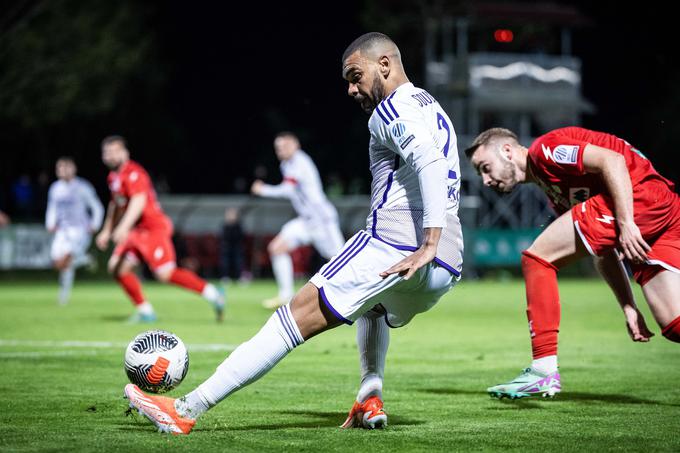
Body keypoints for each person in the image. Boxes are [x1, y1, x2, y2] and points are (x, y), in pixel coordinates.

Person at [123, 32, 463, 434]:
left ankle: (184, 409)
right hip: (447, 265)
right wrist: (436, 246)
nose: (351, 89)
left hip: (399, 244)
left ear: (385, 65)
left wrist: (428, 240)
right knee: (370, 307)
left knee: (288, 320)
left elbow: (428, 162)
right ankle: (370, 395)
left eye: (355, 76)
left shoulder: (389, 111)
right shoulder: (430, 103)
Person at [465, 126, 680, 399]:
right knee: (673, 324)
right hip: (663, 209)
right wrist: (628, 304)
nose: (485, 180)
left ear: (507, 151)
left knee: (537, 258)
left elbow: (611, 160)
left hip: (640, 198)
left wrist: (626, 222)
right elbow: (601, 250)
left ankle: (543, 371)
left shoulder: (545, 150)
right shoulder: (555, 189)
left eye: (485, 167)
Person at [95, 135, 225, 322]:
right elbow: (116, 204)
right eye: (107, 152)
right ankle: (146, 311)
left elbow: (138, 201)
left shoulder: (134, 173)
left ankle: (213, 293)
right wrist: (107, 230)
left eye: (115, 151)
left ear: (126, 152)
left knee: (165, 274)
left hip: (153, 229)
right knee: (117, 267)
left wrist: (123, 227)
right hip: (136, 231)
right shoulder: (113, 177)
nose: (111, 156)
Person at [251, 132, 345, 309]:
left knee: (340, 261)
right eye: (278, 148)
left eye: (284, 146)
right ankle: (285, 296)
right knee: (276, 248)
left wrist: (263, 190)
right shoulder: (286, 164)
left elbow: (288, 189)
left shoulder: (300, 162)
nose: (281, 151)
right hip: (306, 221)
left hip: (322, 220)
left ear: (295, 145)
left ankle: (364, 296)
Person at [45, 157, 104, 305]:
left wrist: (95, 224)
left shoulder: (82, 187)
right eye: (60, 168)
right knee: (59, 263)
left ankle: (63, 297)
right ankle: (87, 259)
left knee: (67, 260)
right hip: (62, 231)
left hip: (79, 230)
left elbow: (96, 206)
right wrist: (50, 223)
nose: (63, 171)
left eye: (66, 167)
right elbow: (52, 207)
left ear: (73, 169)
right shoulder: (55, 188)